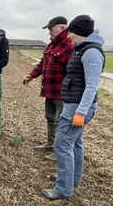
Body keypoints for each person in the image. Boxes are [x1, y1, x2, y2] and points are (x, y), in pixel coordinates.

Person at [41, 15, 106, 200]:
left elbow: (92, 86)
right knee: (75, 144)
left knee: (62, 145)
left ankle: (63, 188)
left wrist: (80, 113)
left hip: (77, 108)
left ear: (81, 33)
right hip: (75, 104)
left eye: (71, 32)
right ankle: (71, 179)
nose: (68, 36)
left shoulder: (91, 52)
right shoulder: (82, 49)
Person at [22, 16, 74, 161]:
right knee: (50, 118)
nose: (50, 32)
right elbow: (42, 64)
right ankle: (51, 143)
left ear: (62, 28)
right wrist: (31, 75)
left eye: (52, 29)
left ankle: (60, 151)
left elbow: (73, 72)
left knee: (61, 121)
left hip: (62, 93)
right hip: (49, 90)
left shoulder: (68, 46)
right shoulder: (51, 45)